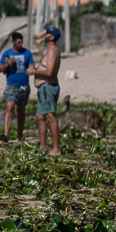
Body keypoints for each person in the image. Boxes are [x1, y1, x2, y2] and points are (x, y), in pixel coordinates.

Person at [0, 30, 33, 143]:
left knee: (21, 111)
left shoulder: (27, 53)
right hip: (12, 85)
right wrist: (7, 64)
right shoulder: (7, 54)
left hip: (24, 86)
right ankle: (6, 134)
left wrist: (32, 70)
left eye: (21, 42)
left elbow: (32, 66)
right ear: (13, 42)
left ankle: (20, 135)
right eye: (18, 42)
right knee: (10, 107)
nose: (20, 44)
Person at [34, 27, 65, 157]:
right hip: (43, 88)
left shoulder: (52, 50)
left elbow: (49, 72)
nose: (44, 34)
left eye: (47, 33)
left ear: (52, 37)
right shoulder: (49, 50)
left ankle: (56, 149)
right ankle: (43, 147)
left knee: (50, 116)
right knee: (40, 116)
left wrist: (34, 71)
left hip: (48, 87)